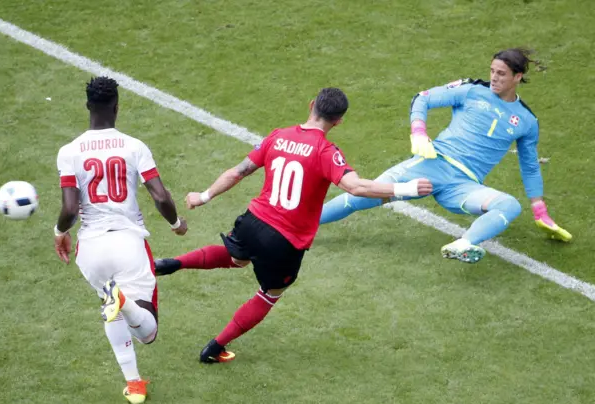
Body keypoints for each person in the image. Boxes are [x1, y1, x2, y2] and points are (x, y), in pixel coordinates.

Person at [153, 88, 432, 363]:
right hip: (284, 240)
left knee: (237, 258)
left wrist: (202, 196)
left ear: (311, 105)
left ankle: (170, 263)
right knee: (268, 294)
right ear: (338, 121)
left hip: (253, 220)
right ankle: (215, 348)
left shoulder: (278, 136)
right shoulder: (326, 151)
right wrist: (405, 188)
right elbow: (356, 187)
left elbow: (239, 172)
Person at [320, 48, 571, 263]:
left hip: (463, 186)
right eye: (492, 71)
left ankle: (463, 244)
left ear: (518, 77)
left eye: (501, 74)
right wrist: (418, 132)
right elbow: (423, 98)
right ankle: (299, 223)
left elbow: (529, 166)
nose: (494, 78)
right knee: (362, 197)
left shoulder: (527, 121)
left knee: (509, 205)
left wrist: (539, 210)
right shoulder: (471, 90)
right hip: (431, 165)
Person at [54, 76, 187, 404]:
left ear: (88, 106)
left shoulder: (69, 151)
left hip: (91, 250)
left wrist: (59, 233)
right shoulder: (133, 146)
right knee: (148, 331)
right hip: (128, 244)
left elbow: (70, 208)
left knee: (109, 307)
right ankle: (124, 300)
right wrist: (176, 222)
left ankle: (135, 384)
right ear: (117, 106)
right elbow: (160, 196)